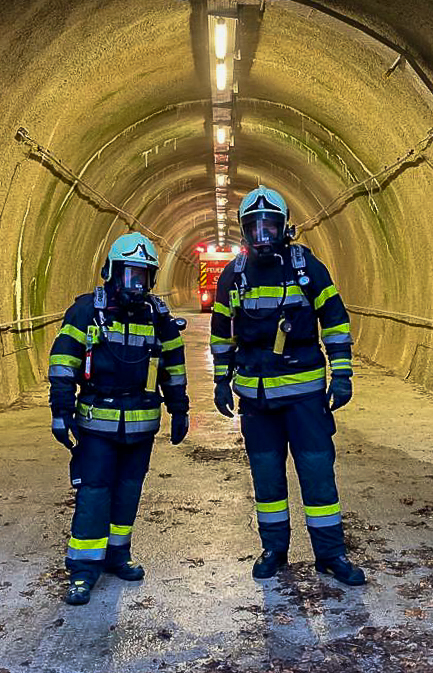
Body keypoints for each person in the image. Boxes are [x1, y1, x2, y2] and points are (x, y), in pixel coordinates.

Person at [210, 185, 365, 586]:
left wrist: (342, 374)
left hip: (304, 397)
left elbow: (335, 321)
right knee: (266, 478)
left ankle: (330, 555)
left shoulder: (306, 268)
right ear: (244, 231)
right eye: (255, 228)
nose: (263, 235)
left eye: (270, 227)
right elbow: (222, 333)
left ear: (284, 228)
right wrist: (221, 380)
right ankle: (274, 551)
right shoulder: (234, 276)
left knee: (317, 473)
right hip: (257, 401)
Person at [49, 232, 189, 605]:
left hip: (141, 426)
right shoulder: (87, 312)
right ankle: (83, 570)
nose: (135, 284)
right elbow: (63, 362)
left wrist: (180, 408)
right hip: (97, 424)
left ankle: (117, 554)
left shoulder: (158, 317)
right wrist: (61, 411)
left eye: (143, 276)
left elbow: (174, 366)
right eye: (129, 274)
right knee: (95, 492)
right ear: (112, 272)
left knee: (128, 491)